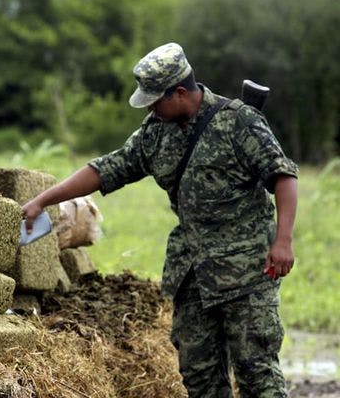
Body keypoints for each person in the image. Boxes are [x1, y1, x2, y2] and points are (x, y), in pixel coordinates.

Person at [22, 42, 298, 397]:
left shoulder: (239, 122)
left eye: (155, 99)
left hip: (246, 271)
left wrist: (284, 241)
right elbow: (107, 168)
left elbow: (283, 177)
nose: (150, 106)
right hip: (193, 275)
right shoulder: (156, 131)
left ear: (180, 93)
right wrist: (42, 200)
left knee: (256, 372)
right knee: (199, 374)